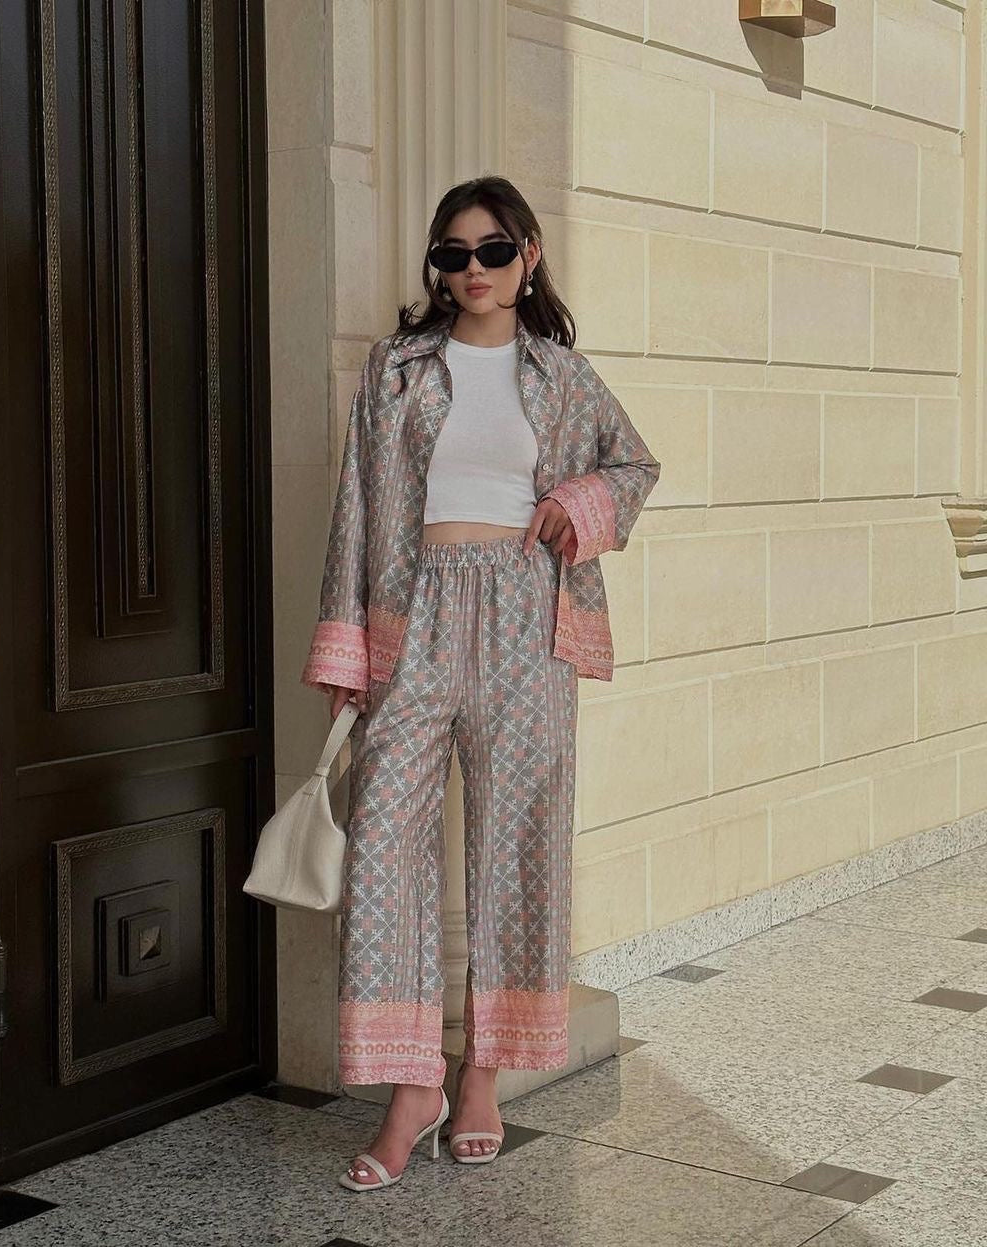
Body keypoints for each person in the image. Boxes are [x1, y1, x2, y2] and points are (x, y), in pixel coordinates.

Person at [299, 175, 661, 1192]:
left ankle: (482, 1079)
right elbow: (355, 506)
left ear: (528, 254)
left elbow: (635, 467)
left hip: (524, 613)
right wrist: (346, 649)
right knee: (385, 847)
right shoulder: (398, 368)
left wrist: (578, 503)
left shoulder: (564, 376)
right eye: (453, 254)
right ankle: (410, 1086)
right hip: (412, 612)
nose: (473, 271)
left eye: (493, 250)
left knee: (517, 842)